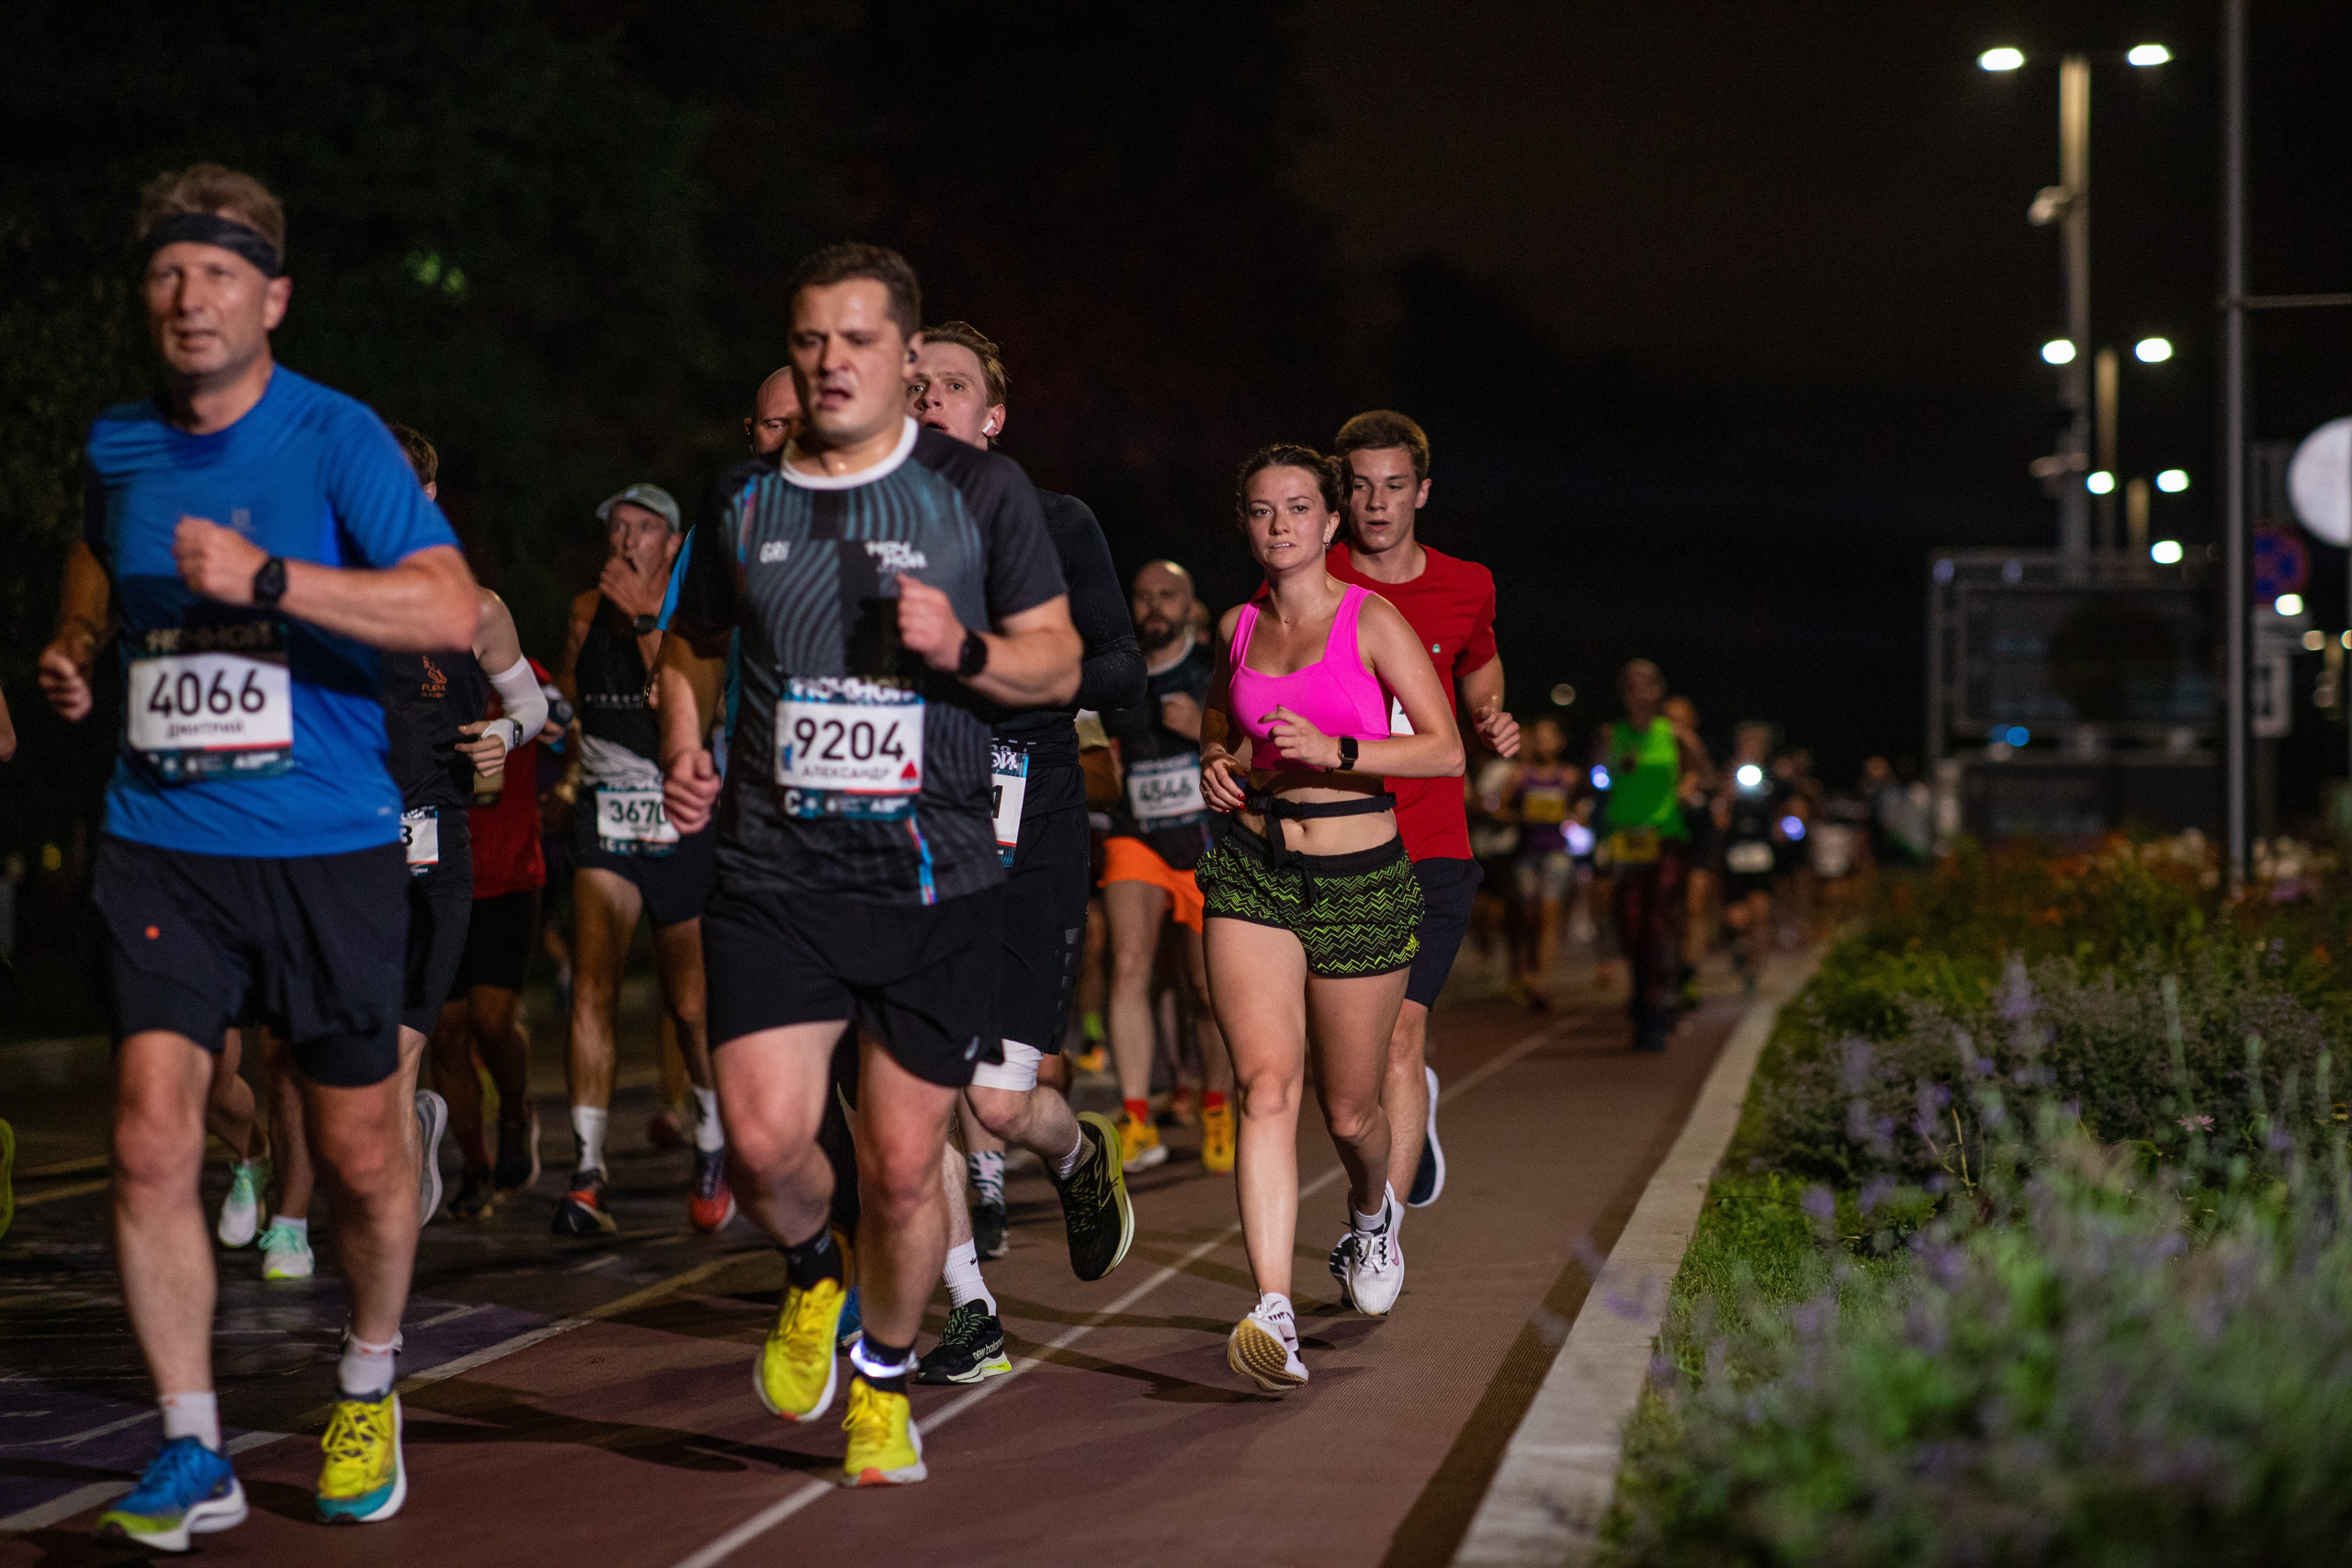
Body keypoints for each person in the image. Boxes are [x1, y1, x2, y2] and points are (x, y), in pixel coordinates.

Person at [40, 164, 477, 1546]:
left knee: (353, 1153)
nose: (189, 297)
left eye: (218, 273)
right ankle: (191, 1443)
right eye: (169, 272)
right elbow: (100, 552)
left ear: (270, 295)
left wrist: (271, 581)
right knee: (149, 1132)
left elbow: (447, 606)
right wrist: (75, 644)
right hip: (162, 838)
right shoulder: (119, 440)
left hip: (329, 842)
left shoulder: (335, 436)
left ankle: (366, 1376)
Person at [657, 243, 1080, 1484]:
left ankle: (886, 1381)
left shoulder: (981, 493)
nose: (832, 361)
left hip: (934, 877)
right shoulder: (741, 498)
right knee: (765, 1141)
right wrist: (689, 746)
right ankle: (808, 1276)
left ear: (906, 358)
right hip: (776, 873)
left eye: (857, 340)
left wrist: (969, 648)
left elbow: (1053, 663)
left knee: (903, 1171)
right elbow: (688, 650)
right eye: (810, 340)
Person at [903, 320, 1144, 1384]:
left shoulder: (1054, 522)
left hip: (1027, 814)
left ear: (992, 418)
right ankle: (973, 1312)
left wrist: (990, 661)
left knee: (997, 1103)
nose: (929, 400)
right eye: (913, 384)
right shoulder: (863, 524)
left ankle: (1077, 1153)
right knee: (916, 1086)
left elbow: (1122, 671)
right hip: (905, 819)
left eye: (951, 386)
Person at [1194, 445, 1462, 1393]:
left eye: (1299, 509)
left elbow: (1443, 752)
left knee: (1348, 1112)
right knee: (1263, 1086)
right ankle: (1270, 1308)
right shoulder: (1233, 625)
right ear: (1248, 523)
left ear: (1328, 523)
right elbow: (1222, 731)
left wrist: (1342, 747)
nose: (1280, 527)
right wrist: (1219, 765)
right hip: (1254, 874)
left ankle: (1370, 1217)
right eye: (1263, 511)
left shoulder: (1371, 620)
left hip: (1361, 877)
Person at [1325, 410, 1517, 1218]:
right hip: (1335, 838)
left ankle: (1380, 1233)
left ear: (1422, 493)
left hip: (1431, 841)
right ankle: (1406, 1120)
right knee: (1346, 1067)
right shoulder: (1312, 569)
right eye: (1361, 487)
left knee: (1401, 1030)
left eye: (1394, 486)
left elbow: (1480, 660)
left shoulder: (1467, 582)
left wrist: (1491, 712)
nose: (1376, 503)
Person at [554, 480, 729, 1235]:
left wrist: (644, 619)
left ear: (671, 540)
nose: (625, 538)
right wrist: (562, 749)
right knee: (592, 986)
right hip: (605, 815)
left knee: (690, 1006)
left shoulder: (690, 617)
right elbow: (568, 689)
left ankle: (713, 1141)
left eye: (641, 527)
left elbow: (683, 699)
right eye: (616, 525)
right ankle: (588, 1169)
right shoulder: (585, 612)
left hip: (677, 814)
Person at [1099, 561, 1231, 1173]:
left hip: (1204, 843)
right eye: (1144, 594)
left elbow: (1252, 743)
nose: (1154, 605)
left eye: (1167, 595)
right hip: (1137, 838)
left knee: (1207, 991)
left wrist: (1204, 727)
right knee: (1127, 966)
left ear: (1188, 607)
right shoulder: (1116, 676)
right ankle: (1136, 1118)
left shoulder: (1212, 672)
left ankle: (1216, 1106)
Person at [426, 646, 562, 1216]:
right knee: (449, 1029)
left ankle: (514, 1109)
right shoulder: (418, 675)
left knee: (490, 1020)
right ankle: (474, 1165)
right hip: (439, 872)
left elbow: (561, 725)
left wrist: (567, 787)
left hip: (509, 875)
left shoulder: (523, 676)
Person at [1596, 659, 1713, 1052]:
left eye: (1647, 685)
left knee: (1659, 921)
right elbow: (1597, 777)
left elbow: (1705, 774)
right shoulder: (1612, 734)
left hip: (1666, 838)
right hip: (1627, 839)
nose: (1640, 692)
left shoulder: (1675, 735)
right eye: (1632, 686)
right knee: (1631, 925)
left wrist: (1688, 785)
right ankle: (1640, 992)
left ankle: (1656, 1009)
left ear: (1658, 690)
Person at [1508, 716, 1577, 1009]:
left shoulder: (1570, 776)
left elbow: (1579, 811)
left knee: (1549, 914)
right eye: (1538, 737)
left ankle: (1541, 979)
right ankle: (1522, 969)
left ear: (1560, 742)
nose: (1544, 743)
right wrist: (1521, 816)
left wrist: (1573, 818)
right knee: (1528, 915)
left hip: (1556, 852)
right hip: (1526, 853)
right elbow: (1496, 808)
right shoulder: (1520, 775)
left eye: (1550, 737)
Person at [1713, 722, 1785, 993]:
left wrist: (1785, 825)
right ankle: (1739, 948)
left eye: (1757, 746)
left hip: (1761, 858)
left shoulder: (1773, 781)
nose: (1751, 750)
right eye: (1747, 744)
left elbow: (1786, 812)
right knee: (1737, 918)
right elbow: (1719, 818)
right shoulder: (1729, 780)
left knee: (1760, 914)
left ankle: (1754, 970)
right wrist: (1727, 795)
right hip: (1734, 858)